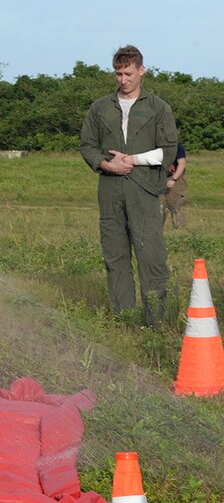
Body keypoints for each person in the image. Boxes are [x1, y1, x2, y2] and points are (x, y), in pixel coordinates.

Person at [80, 45, 177, 325]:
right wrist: (105, 164)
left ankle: (157, 321)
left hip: (143, 189)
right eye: (118, 74)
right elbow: (87, 145)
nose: (123, 79)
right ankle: (125, 319)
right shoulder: (100, 108)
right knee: (115, 256)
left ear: (141, 71)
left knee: (152, 257)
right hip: (109, 189)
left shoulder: (158, 107)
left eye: (129, 73)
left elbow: (167, 150)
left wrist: (132, 159)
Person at [161, 139, 187, 228]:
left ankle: (179, 230)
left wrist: (173, 179)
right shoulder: (155, 145)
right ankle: (158, 230)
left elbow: (182, 164)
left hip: (175, 176)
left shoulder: (177, 146)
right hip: (159, 177)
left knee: (176, 204)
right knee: (160, 206)